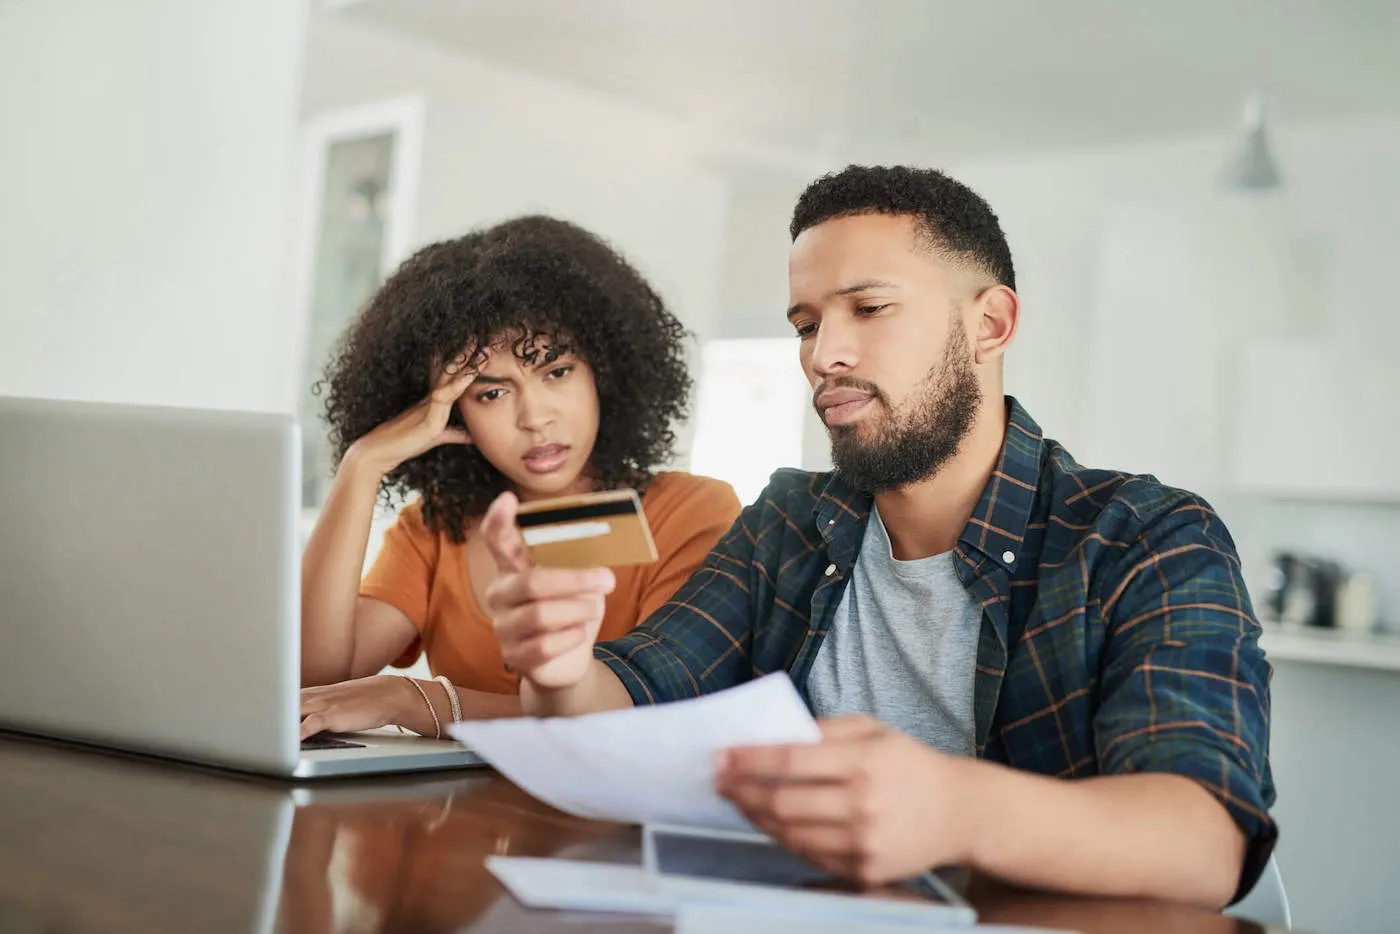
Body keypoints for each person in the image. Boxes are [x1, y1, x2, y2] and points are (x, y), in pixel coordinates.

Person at [481, 168, 1275, 909]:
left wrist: (954, 807)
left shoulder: (1145, 537)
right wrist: (558, 670)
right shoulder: (788, 521)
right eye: (806, 324)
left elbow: (1204, 840)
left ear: (989, 324)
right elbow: (631, 693)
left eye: (869, 308)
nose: (824, 355)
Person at [297, 215, 740, 739]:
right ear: (453, 411)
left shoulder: (690, 513)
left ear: (606, 369)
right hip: (454, 816)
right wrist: (361, 466)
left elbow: (657, 714)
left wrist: (420, 700)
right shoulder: (437, 527)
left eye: (557, 372)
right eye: (492, 393)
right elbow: (314, 681)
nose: (534, 418)